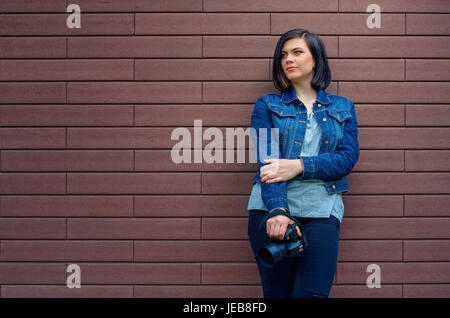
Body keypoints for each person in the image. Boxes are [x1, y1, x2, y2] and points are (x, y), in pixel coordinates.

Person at [247, 28, 360, 298]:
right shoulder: (266, 105)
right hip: (270, 209)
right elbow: (268, 163)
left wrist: (299, 165)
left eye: (297, 52)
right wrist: (277, 211)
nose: (289, 59)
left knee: (312, 295)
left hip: (322, 209)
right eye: (283, 55)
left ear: (316, 60)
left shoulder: (343, 108)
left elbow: (346, 159)